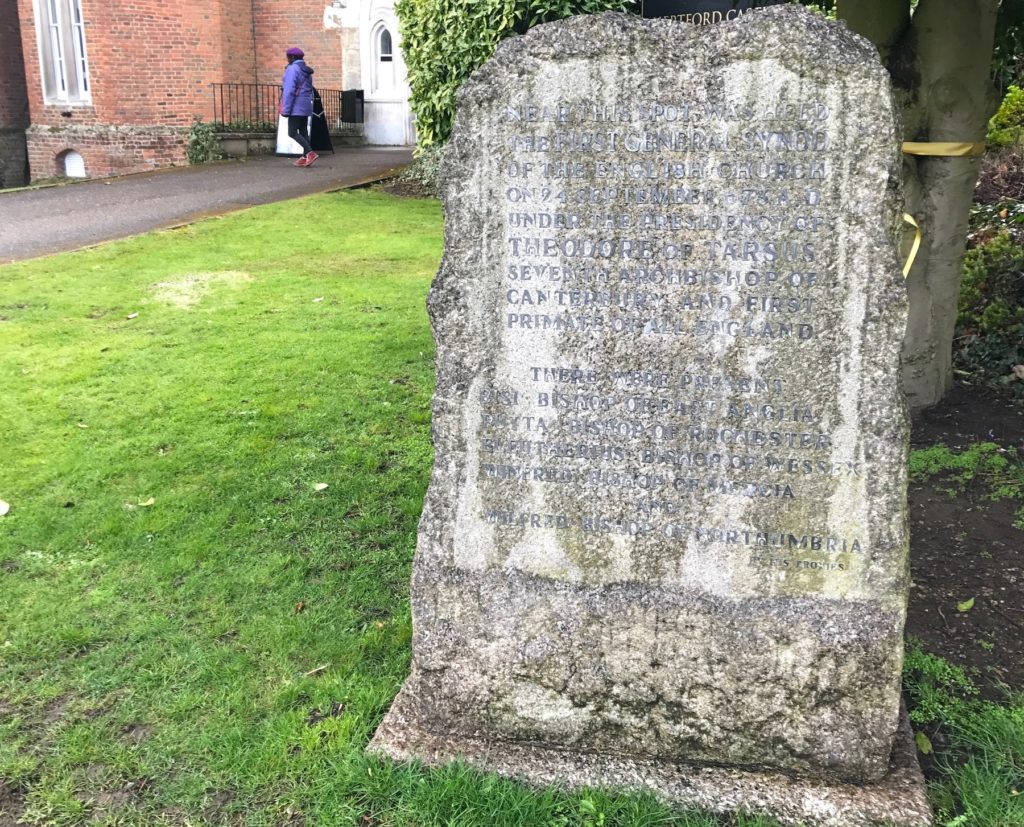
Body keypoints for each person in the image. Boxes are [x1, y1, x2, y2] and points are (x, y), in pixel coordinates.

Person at [281, 47, 318, 167]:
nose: (287, 59)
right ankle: (305, 156)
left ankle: (310, 153)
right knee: (302, 131)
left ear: (292, 57)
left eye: (287, 57)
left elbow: (289, 90)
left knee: (292, 132)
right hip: (306, 104)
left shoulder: (293, 69)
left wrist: (285, 109)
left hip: (295, 105)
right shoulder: (306, 70)